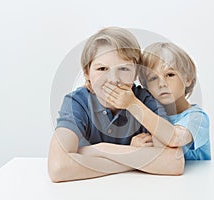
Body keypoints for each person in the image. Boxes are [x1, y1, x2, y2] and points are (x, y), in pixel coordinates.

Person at [48, 28, 184, 182]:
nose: (113, 79)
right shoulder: (76, 102)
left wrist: (102, 150)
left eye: (124, 69)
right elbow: (58, 167)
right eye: (102, 69)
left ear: (135, 73)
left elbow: (174, 163)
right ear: (87, 74)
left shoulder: (145, 100)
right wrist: (134, 156)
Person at [103, 42, 210, 160]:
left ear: (187, 79)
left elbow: (174, 138)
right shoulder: (149, 114)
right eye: (153, 78)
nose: (162, 84)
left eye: (170, 75)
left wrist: (133, 104)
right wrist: (134, 147)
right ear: (146, 86)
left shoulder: (197, 118)